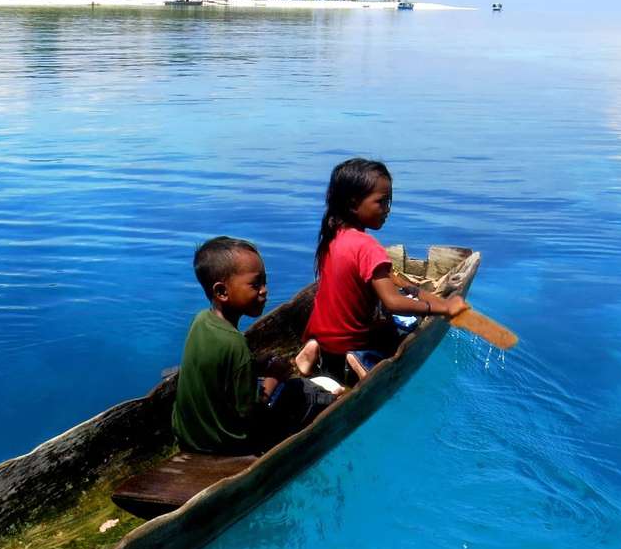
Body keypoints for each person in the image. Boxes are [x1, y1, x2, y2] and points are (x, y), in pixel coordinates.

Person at [299, 158, 467, 383]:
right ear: (353, 204)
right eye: (381, 202)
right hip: (348, 346)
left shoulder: (332, 236)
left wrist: (404, 285)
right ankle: (360, 359)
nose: (387, 209)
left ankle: (315, 348)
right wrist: (441, 307)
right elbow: (393, 303)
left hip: (323, 339)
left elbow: (374, 280)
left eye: (389, 201)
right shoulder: (369, 248)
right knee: (393, 327)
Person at [172, 237, 336, 455]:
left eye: (265, 282)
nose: (264, 290)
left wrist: (255, 365)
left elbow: (218, 367)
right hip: (227, 445)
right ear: (222, 292)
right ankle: (338, 405)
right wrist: (273, 378)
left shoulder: (200, 320)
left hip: (188, 436)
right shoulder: (235, 344)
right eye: (255, 284)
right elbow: (250, 414)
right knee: (302, 391)